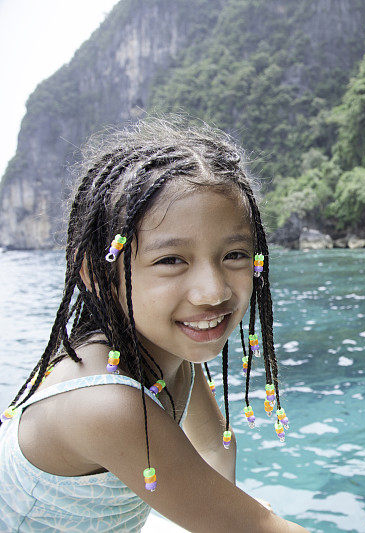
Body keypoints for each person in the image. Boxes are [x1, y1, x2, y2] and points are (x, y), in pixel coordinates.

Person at [0, 118, 308, 532]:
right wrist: (232, 520)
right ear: (99, 274)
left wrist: (221, 511)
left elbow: (215, 443)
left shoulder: (163, 354)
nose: (212, 292)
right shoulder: (106, 404)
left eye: (234, 254)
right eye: (171, 260)